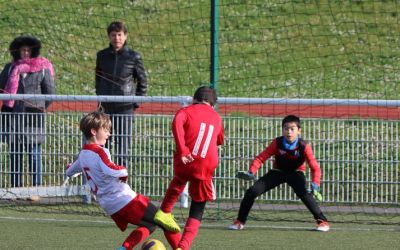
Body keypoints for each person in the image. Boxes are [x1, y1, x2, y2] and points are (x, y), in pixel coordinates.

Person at [65, 111, 181, 250]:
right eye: (106, 130)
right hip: (125, 199)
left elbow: (69, 171)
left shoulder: (83, 154)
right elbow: (112, 169)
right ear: (94, 131)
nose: (108, 134)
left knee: (150, 225)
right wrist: (123, 172)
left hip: (109, 205)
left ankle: (124, 248)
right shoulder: (100, 151)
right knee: (165, 219)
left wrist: (71, 167)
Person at [228, 115, 330, 232]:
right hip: (278, 172)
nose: (289, 132)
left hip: (296, 173)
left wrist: (315, 184)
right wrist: (251, 172)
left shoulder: (304, 146)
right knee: (252, 191)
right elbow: (261, 158)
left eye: (292, 129)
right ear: (282, 130)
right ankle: (240, 221)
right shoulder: (277, 143)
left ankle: (322, 222)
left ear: (299, 130)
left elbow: (315, 167)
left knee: (305, 194)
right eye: (286, 128)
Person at [154, 86, 225, 250]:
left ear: (194, 99)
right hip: (206, 165)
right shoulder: (217, 117)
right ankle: (183, 246)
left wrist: (184, 149)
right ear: (212, 105)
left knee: (180, 178)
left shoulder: (186, 111)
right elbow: (220, 140)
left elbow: (177, 122)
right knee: (198, 206)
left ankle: (164, 211)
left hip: (186, 159)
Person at [0, 36, 56, 187]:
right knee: (15, 154)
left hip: (34, 116)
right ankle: (15, 187)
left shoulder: (43, 69)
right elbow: (1, 87)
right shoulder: (9, 68)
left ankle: (36, 188)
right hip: (13, 117)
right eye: (22, 50)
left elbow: (50, 94)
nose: (25, 52)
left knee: (34, 153)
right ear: (17, 51)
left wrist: (39, 107)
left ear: (33, 51)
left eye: (28, 50)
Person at [95, 21, 147, 167]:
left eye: (119, 35)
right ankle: (104, 175)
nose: (116, 38)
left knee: (123, 146)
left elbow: (142, 81)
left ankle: (121, 179)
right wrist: (100, 97)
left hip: (125, 108)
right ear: (108, 37)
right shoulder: (102, 55)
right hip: (105, 108)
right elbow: (98, 79)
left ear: (125, 36)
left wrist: (135, 103)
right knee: (103, 144)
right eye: (113, 35)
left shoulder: (134, 57)